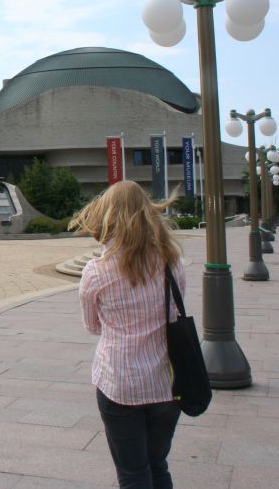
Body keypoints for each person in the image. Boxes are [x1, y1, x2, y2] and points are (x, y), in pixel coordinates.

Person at [70, 180, 184, 489]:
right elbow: (175, 314)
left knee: (133, 474)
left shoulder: (96, 271)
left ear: (108, 215)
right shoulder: (172, 263)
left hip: (119, 383)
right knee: (158, 465)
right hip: (166, 382)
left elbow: (92, 326)